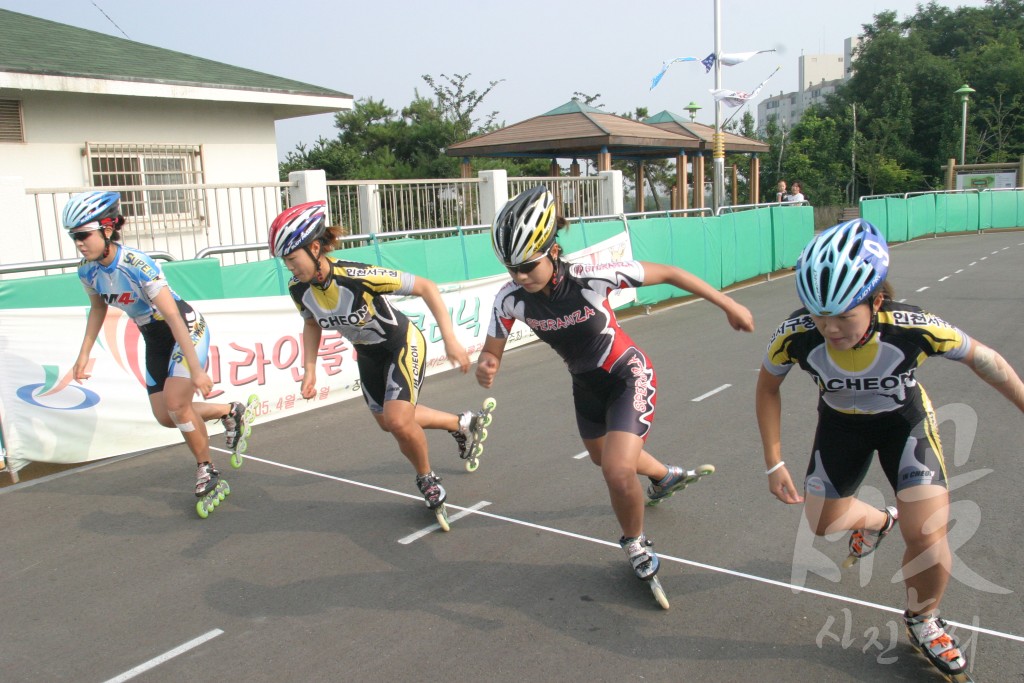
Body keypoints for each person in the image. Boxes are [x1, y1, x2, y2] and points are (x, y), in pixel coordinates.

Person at [755, 219, 1024, 679]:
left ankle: (923, 619)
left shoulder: (911, 326)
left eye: (844, 315)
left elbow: (988, 360)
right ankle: (881, 521)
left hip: (905, 426)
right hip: (841, 428)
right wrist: (773, 459)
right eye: (819, 315)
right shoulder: (795, 334)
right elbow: (766, 389)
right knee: (821, 524)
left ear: (876, 301)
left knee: (929, 535)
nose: (829, 329)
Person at [476, 186, 755, 583]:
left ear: (553, 251)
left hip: (627, 375)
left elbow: (671, 273)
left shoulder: (591, 279)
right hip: (585, 387)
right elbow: (492, 351)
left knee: (616, 469)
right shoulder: (510, 299)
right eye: (511, 269)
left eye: (527, 266)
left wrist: (729, 305)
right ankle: (664, 475)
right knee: (602, 458)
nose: (520, 276)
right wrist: (487, 366)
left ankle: (635, 542)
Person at [268, 200, 486, 524]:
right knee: (390, 421)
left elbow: (426, 287)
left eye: (291, 258)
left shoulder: (355, 276)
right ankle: (462, 424)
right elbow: (312, 323)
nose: (290, 267)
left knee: (399, 422)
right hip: (367, 355)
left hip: (400, 344)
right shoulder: (298, 289)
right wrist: (310, 369)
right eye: (285, 261)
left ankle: (427, 478)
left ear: (314, 248)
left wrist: (450, 338)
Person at [65, 191, 254, 501]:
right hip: (152, 337)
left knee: (178, 405)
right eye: (74, 237)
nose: (79, 242)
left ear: (107, 229)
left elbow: (171, 315)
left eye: (84, 234)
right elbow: (99, 309)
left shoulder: (137, 264)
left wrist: (195, 369)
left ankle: (206, 468)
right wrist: (83, 355)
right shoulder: (87, 270)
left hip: (183, 327)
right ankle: (229, 410)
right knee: (165, 416)